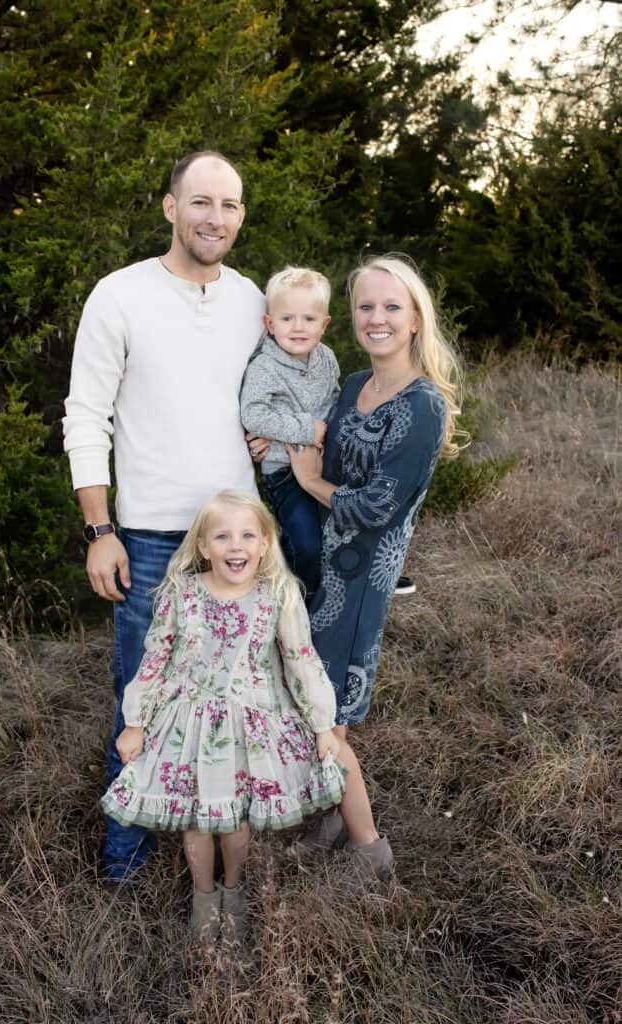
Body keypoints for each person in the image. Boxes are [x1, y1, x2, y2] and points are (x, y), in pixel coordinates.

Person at [63, 151, 267, 883]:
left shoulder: (250, 299)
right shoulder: (119, 295)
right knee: (143, 699)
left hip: (238, 541)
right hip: (147, 537)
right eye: (202, 201)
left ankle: (215, 844)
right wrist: (100, 528)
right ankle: (124, 860)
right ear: (169, 207)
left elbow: (273, 385)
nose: (216, 217)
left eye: (231, 205)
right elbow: (85, 415)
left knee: (231, 698)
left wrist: (273, 431)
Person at [100, 490, 377, 945]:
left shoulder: (276, 596)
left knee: (235, 820)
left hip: (251, 724)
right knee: (197, 818)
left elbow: (301, 660)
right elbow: (154, 659)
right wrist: (135, 722)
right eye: (223, 536)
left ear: (265, 544)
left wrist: (323, 726)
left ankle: (235, 891)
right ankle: (203, 898)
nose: (236, 546)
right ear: (203, 546)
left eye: (248, 535)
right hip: (188, 723)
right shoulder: (182, 594)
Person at [287, 253, 463, 857]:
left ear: (416, 319)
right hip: (316, 570)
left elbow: (377, 507)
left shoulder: (422, 406)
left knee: (326, 719)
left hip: (359, 587)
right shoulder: (357, 386)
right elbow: (322, 449)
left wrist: (310, 483)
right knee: (307, 703)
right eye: (366, 306)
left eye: (392, 306)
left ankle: (369, 851)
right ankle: (332, 819)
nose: (377, 318)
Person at [240, 267, 338, 604]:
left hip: (323, 467)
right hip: (284, 473)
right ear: (270, 324)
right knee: (306, 544)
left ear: (324, 324)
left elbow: (334, 402)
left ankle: (336, 602)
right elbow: (253, 414)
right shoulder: (264, 367)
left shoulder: (326, 359)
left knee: (343, 533)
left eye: (309, 319)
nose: (298, 327)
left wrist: (324, 437)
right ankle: (291, 604)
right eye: (287, 318)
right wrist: (306, 430)